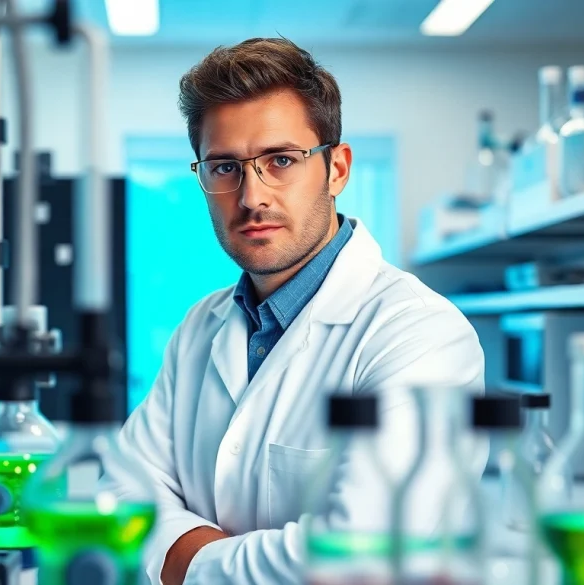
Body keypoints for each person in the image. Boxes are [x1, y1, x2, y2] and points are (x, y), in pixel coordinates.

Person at [110, 38, 485, 584]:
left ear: (337, 169)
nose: (251, 197)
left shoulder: (422, 335)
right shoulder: (198, 328)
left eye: (281, 160)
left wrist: (182, 560)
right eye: (224, 167)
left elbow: (357, 560)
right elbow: (122, 492)